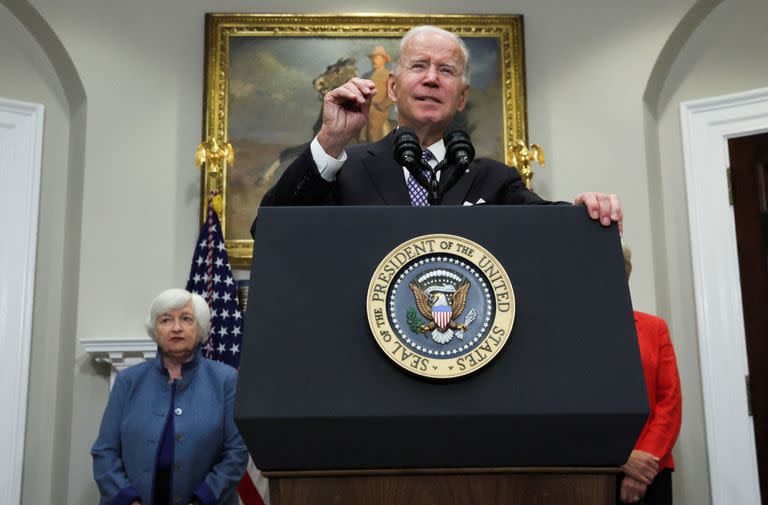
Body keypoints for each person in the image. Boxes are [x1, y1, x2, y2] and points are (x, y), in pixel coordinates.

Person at [255, 25, 622, 232]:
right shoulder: (346, 168)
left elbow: (549, 228)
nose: (432, 79)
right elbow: (270, 229)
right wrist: (330, 140)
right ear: (393, 88)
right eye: (418, 66)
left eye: (446, 70)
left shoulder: (494, 181)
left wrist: (584, 212)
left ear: (461, 98)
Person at [91, 289, 248, 505]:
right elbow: (105, 451)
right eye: (166, 320)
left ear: (200, 328)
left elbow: (236, 453)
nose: (176, 327)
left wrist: (202, 500)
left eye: (186, 319)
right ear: (155, 331)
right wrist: (127, 500)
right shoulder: (128, 380)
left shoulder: (225, 380)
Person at [618, 244, 682, 504]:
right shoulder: (575, 333)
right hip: (596, 471)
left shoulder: (655, 328)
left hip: (652, 471)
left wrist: (641, 465)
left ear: (627, 273)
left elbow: (670, 403)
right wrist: (621, 458)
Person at [365, 45, 394, 142]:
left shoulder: (388, 74)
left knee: (376, 138)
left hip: (379, 113)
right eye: (373, 58)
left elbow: (394, 93)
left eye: (377, 58)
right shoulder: (367, 75)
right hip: (366, 111)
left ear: (384, 59)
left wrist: (383, 105)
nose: (374, 61)